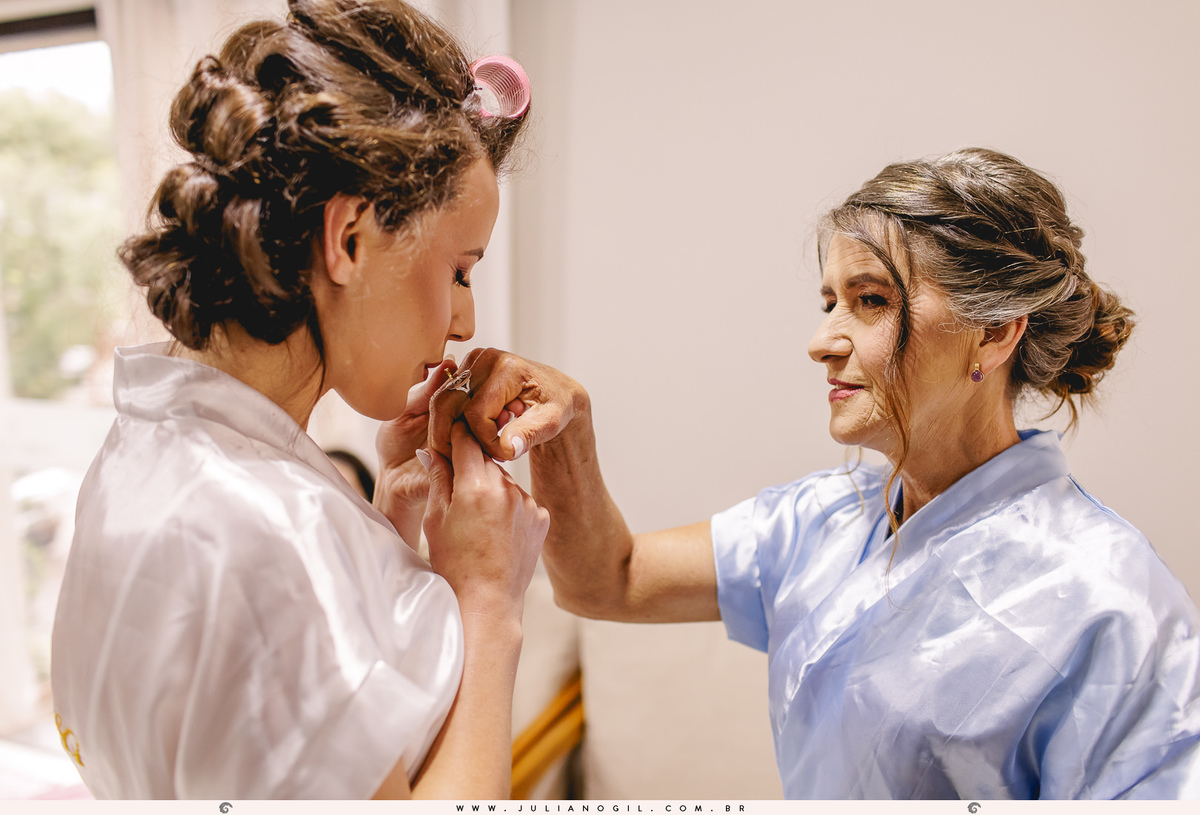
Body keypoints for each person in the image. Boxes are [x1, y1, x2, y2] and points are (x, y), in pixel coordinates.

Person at [430, 148, 1200, 799]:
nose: (822, 340)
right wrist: (569, 425)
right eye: (829, 300)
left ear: (994, 330)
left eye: (870, 301)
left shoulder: (1112, 603)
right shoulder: (819, 521)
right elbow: (609, 578)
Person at [50, 0, 547, 800]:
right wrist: (489, 602)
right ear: (349, 237)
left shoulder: (143, 452)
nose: (466, 321)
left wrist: (384, 531)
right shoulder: (260, 540)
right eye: (458, 270)